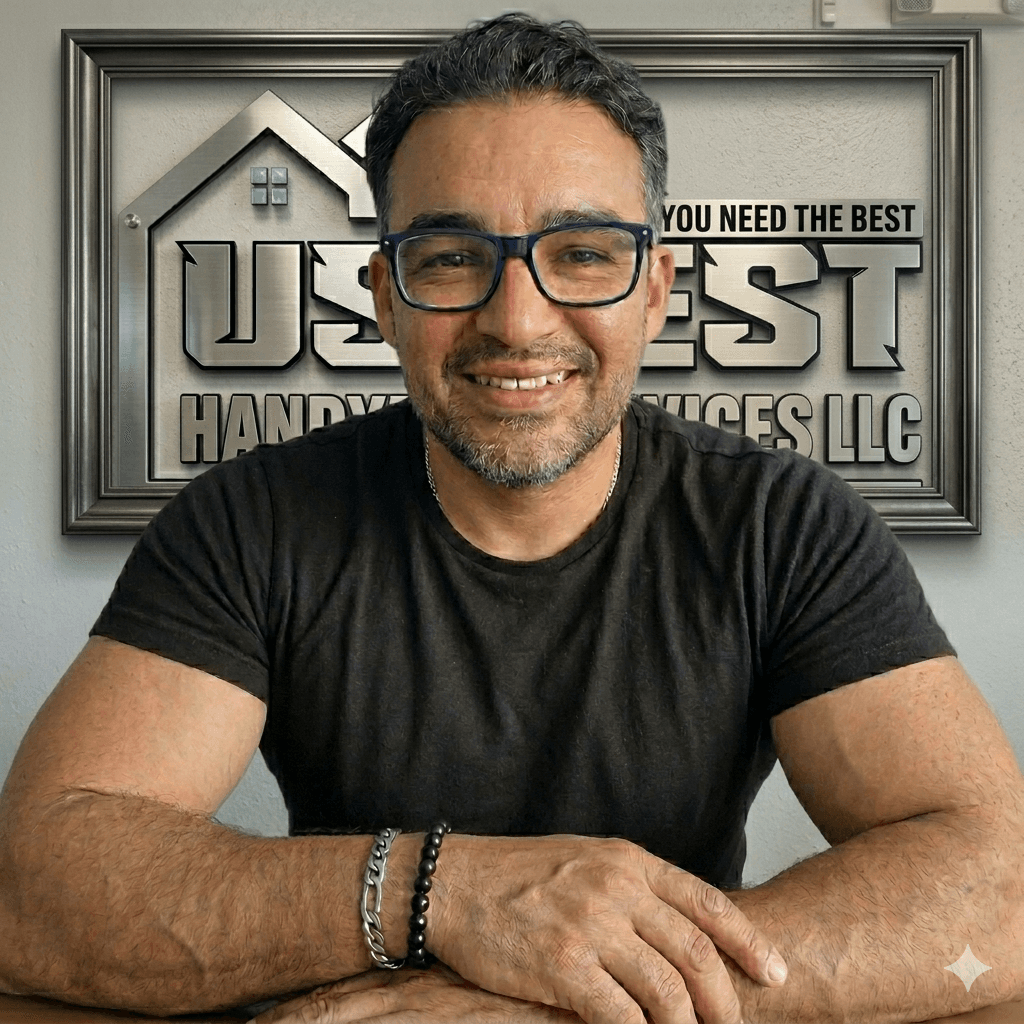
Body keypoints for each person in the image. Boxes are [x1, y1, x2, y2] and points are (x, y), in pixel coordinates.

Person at [2, 13, 1023, 1024]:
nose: (517, 320)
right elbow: (33, 887)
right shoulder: (250, 521)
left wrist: (559, 997)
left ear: (654, 291)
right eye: (450, 257)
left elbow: (1000, 888)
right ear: (386, 297)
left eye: (581, 253)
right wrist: (443, 894)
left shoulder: (781, 524)